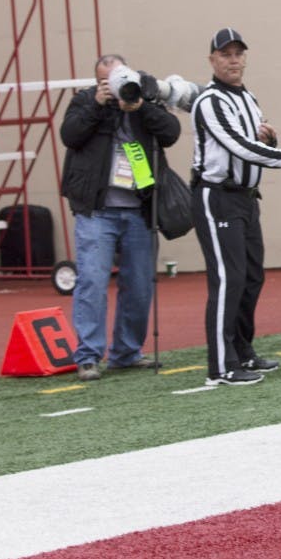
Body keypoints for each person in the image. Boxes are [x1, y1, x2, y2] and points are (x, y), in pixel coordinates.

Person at [191, 28, 281, 386]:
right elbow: (240, 147)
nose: (233, 59)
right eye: (225, 54)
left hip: (245, 198)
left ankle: (243, 353)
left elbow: (255, 141)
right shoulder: (210, 101)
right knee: (228, 279)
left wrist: (270, 138)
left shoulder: (247, 97)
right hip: (217, 196)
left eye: (238, 53)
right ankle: (220, 367)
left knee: (251, 277)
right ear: (212, 60)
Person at [60, 54, 181, 382]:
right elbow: (69, 136)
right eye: (107, 81)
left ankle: (126, 352)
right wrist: (98, 105)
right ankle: (88, 356)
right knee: (92, 281)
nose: (116, 85)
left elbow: (172, 132)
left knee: (140, 284)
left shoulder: (144, 97)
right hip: (97, 210)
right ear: (97, 81)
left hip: (139, 207)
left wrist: (141, 106)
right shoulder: (84, 101)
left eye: (119, 78)